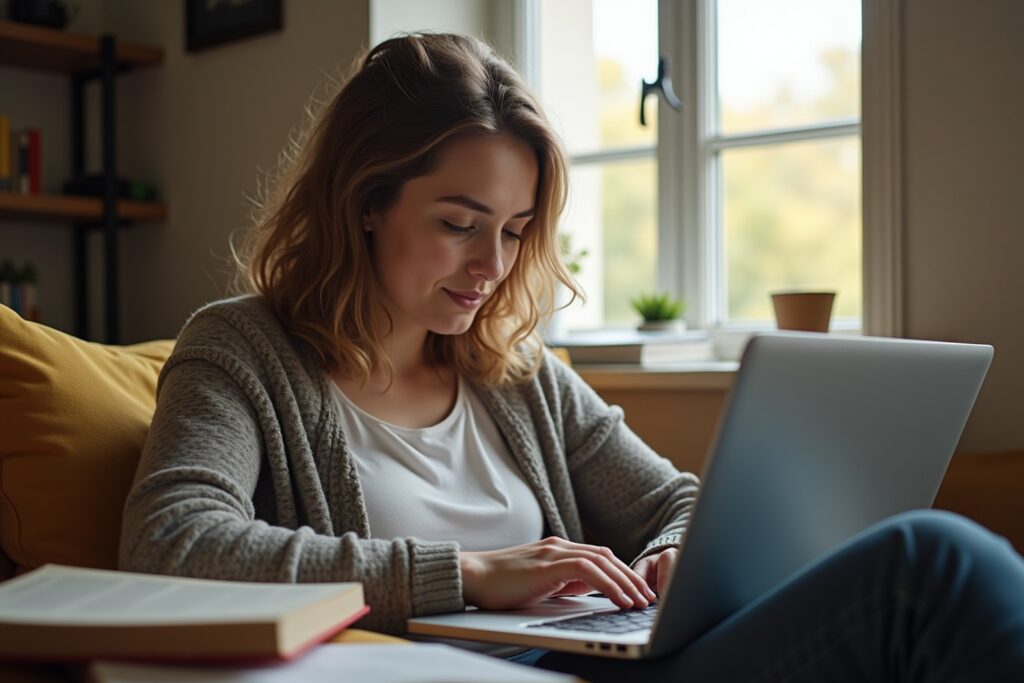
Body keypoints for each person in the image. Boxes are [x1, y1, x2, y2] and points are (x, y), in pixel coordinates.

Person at [119, 33, 1024, 681]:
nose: (494, 265)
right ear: (364, 201)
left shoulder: (514, 370)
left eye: (514, 231)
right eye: (458, 224)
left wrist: (680, 554)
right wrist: (469, 572)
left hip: (609, 662)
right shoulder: (242, 349)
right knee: (926, 564)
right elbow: (170, 543)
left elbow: (676, 498)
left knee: (926, 564)